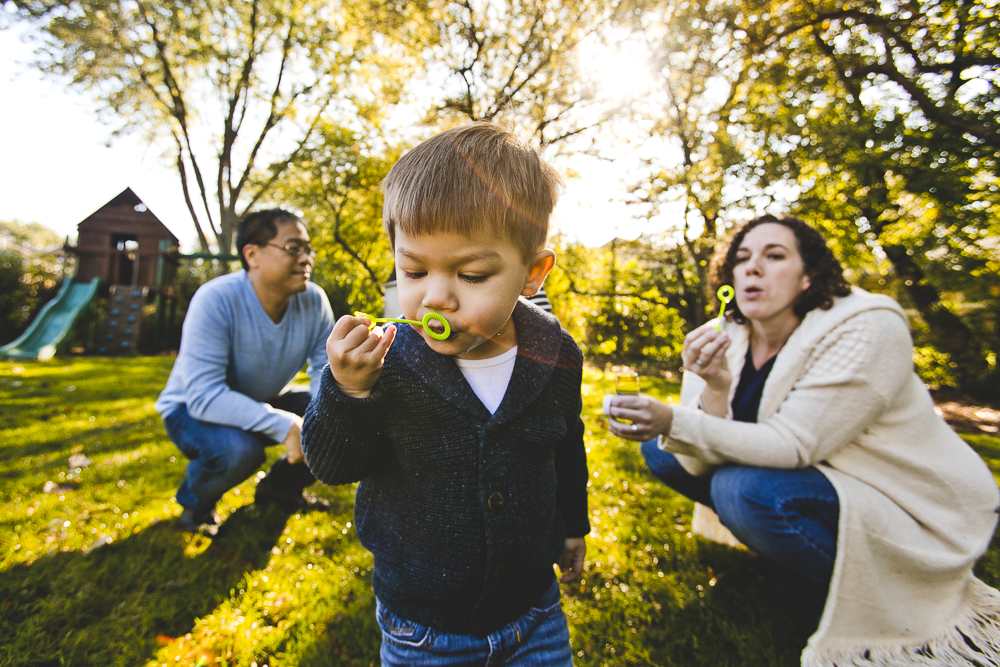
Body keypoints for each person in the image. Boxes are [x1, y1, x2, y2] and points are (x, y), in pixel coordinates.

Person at [605, 214, 1000, 666]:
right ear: (729, 276)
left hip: (903, 498)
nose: (753, 268)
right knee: (662, 452)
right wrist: (714, 386)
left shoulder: (866, 327)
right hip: (814, 478)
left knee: (737, 488)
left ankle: (856, 588)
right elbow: (694, 459)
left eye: (774, 256)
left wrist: (673, 419)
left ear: (808, 274)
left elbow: (793, 445)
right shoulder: (728, 332)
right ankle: (788, 549)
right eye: (742, 258)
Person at [301, 122, 590, 666]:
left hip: (534, 612)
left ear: (533, 274)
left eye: (473, 275)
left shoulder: (556, 355)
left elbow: (565, 449)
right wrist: (346, 391)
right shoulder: (387, 360)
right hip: (424, 627)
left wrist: (574, 525)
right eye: (413, 270)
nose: (436, 298)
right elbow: (333, 465)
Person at [156, 209, 335, 534]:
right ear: (252, 254)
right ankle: (195, 505)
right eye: (294, 248)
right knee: (240, 452)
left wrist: (324, 421)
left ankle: (280, 488)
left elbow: (323, 371)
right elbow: (203, 396)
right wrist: (284, 425)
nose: (306, 258)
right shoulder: (215, 300)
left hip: (261, 397)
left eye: (308, 249)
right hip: (190, 409)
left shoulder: (314, 301)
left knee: (335, 420)